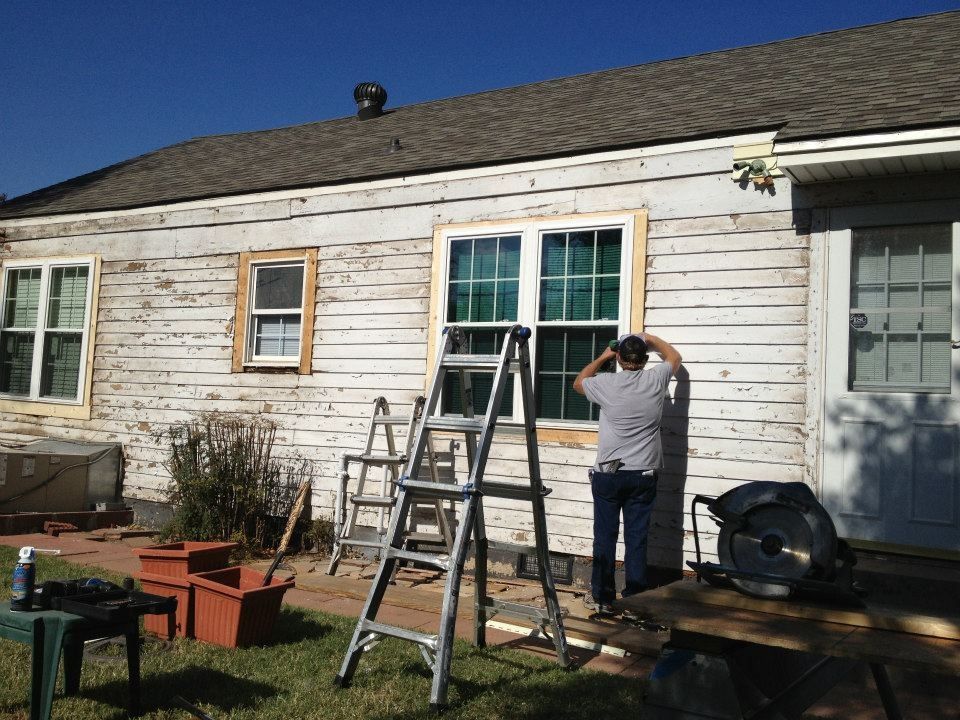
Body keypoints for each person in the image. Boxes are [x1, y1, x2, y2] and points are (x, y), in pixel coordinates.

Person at [572, 332, 682, 616]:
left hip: (609, 475)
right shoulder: (656, 379)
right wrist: (651, 339)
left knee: (604, 537)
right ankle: (634, 601)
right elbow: (674, 358)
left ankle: (604, 599)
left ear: (620, 358)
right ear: (645, 360)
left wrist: (604, 357)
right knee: (637, 537)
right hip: (642, 475)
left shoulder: (606, 382)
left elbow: (578, 383)